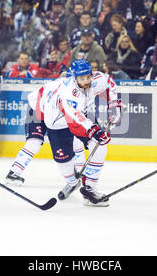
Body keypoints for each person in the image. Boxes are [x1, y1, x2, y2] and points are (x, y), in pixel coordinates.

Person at [35, 59, 121, 206]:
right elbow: (75, 115)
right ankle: (72, 181)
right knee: (63, 160)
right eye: (82, 78)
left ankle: (89, 190)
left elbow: (109, 82)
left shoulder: (96, 79)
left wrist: (114, 107)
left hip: (78, 117)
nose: (86, 81)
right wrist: (94, 130)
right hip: (57, 120)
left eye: (88, 76)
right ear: (74, 78)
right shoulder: (68, 91)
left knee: (99, 146)